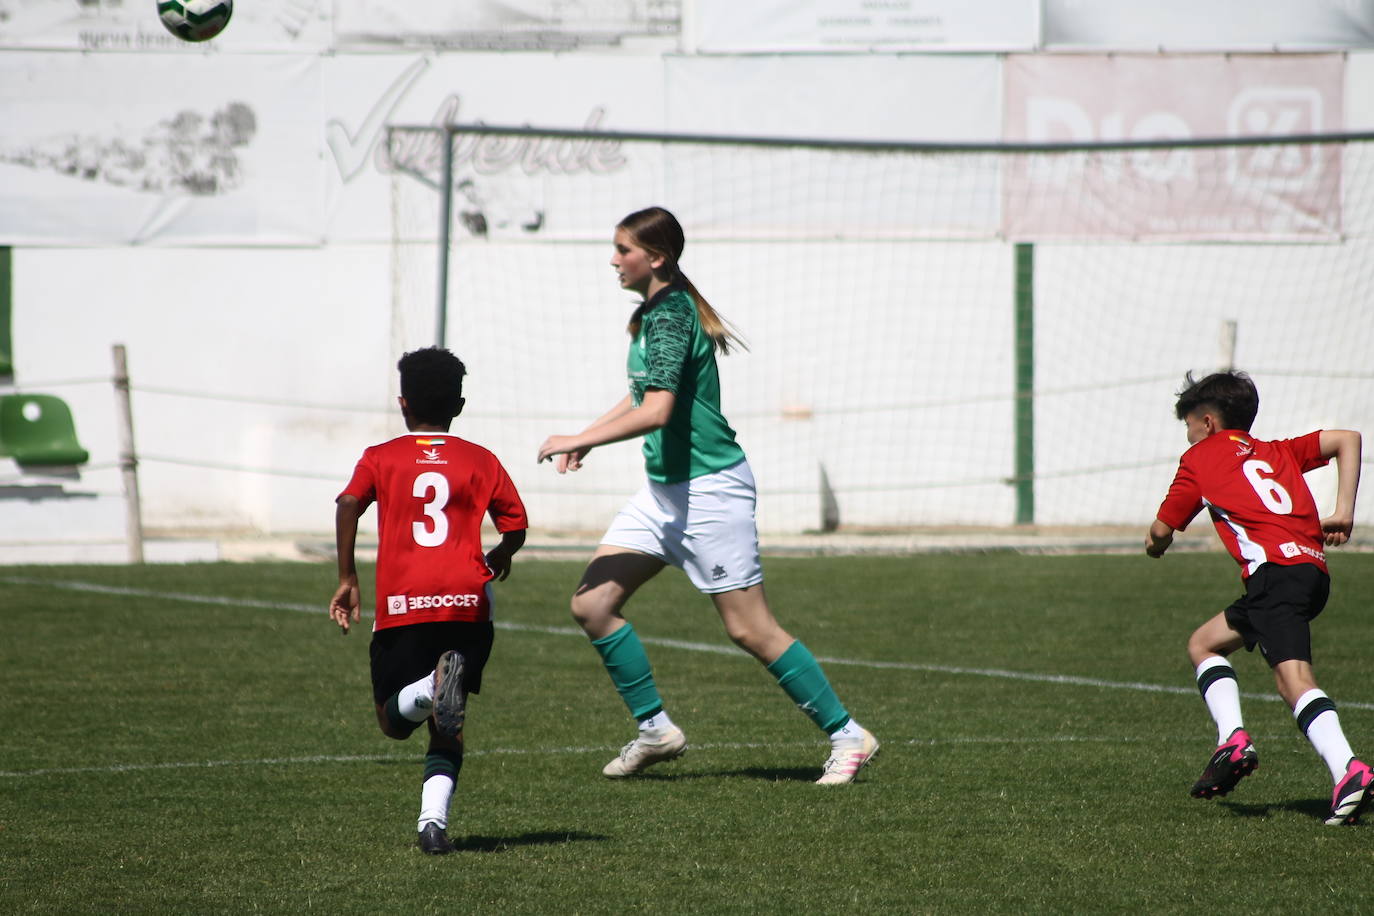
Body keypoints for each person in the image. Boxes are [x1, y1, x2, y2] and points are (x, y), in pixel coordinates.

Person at [536, 206, 878, 785]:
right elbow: (643, 395)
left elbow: (659, 410)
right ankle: (655, 730)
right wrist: (588, 438)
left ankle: (849, 736)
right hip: (663, 495)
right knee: (591, 605)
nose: (614, 259)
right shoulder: (653, 313)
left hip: (710, 494)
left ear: (657, 257)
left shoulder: (670, 317)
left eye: (624, 249)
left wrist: (579, 437)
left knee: (751, 630)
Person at [1146, 369, 1369, 825]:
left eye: (1188, 424)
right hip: (1309, 571)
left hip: (1275, 576)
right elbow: (1348, 438)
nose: (1188, 435)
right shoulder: (1276, 451)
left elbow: (1161, 529)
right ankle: (1232, 739)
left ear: (1207, 423)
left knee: (1294, 681)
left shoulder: (1201, 458)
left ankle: (1350, 769)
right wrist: (1344, 510)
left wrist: (1156, 545)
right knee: (1203, 644)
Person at [330, 347, 528, 853]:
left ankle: (427, 687)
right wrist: (502, 551)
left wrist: (348, 574)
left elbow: (350, 501)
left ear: (402, 403)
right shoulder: (480, 459)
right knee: (449, 720)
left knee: (393, 723)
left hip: (404, 605)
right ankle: (432, 824)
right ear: (458, 406)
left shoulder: (381, 456)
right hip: (467, 604)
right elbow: (517, 523)